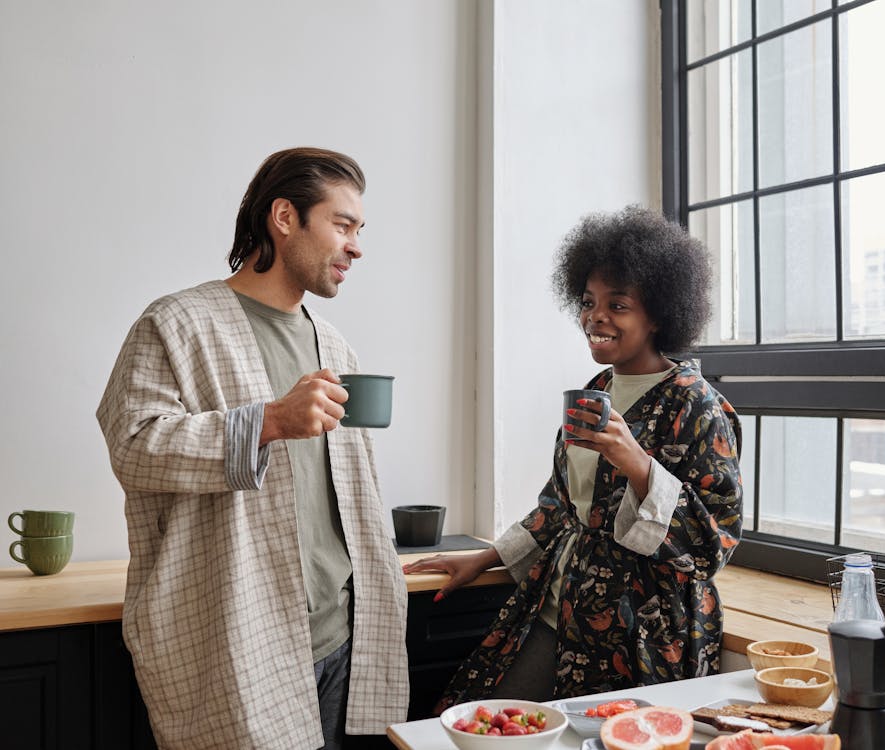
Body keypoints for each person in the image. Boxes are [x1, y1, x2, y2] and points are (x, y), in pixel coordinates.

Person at [96, 147, 407, 750]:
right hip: (241, 640)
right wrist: (266, 421)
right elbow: (133, 446)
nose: (357, 246)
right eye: (342, 225)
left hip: (344, 637)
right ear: (285, 217)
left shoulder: (335, 346)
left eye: (359, 230)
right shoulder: (177, 324)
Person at [403, 205, 743, 709]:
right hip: (560, 603)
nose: (595, 317)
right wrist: (482, 559)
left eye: (618, 304)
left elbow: (714, 543)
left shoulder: (696, 404)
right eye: (589, 302)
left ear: (658, 315)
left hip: (645, 631)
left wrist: (637, 463)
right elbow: (560, 506)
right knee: (479, 719)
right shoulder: (597, 390)